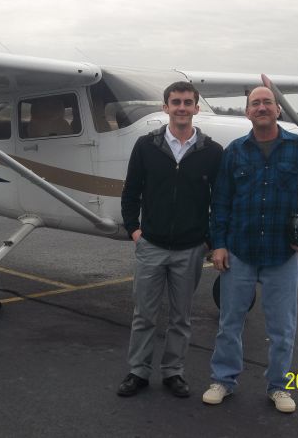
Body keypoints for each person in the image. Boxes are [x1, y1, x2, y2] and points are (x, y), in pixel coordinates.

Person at [202, 86, 298, 413]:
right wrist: (218, 244)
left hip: (282, 254)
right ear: (247, 112)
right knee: (230, 323)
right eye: (255, 103)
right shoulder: (234, 152)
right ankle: (223, 380)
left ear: (278, 110)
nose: (261, 107)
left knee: (282, 327)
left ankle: (279, 386)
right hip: (240, 252)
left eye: (267, 102)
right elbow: (220, 202)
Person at [118, 81, 223, 398]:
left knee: (181, 317)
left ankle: (173, 372)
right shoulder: (145, 146)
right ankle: (138, 371)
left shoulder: (212, 152)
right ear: (165, 107)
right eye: (175, 102)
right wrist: (134, 231)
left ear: (196, 108)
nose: (181, 107)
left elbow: (219, 201)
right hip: (151, 245)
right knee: (144, 315)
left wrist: (209, 240)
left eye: (187, 102)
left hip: (190, 249)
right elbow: (131, 192)